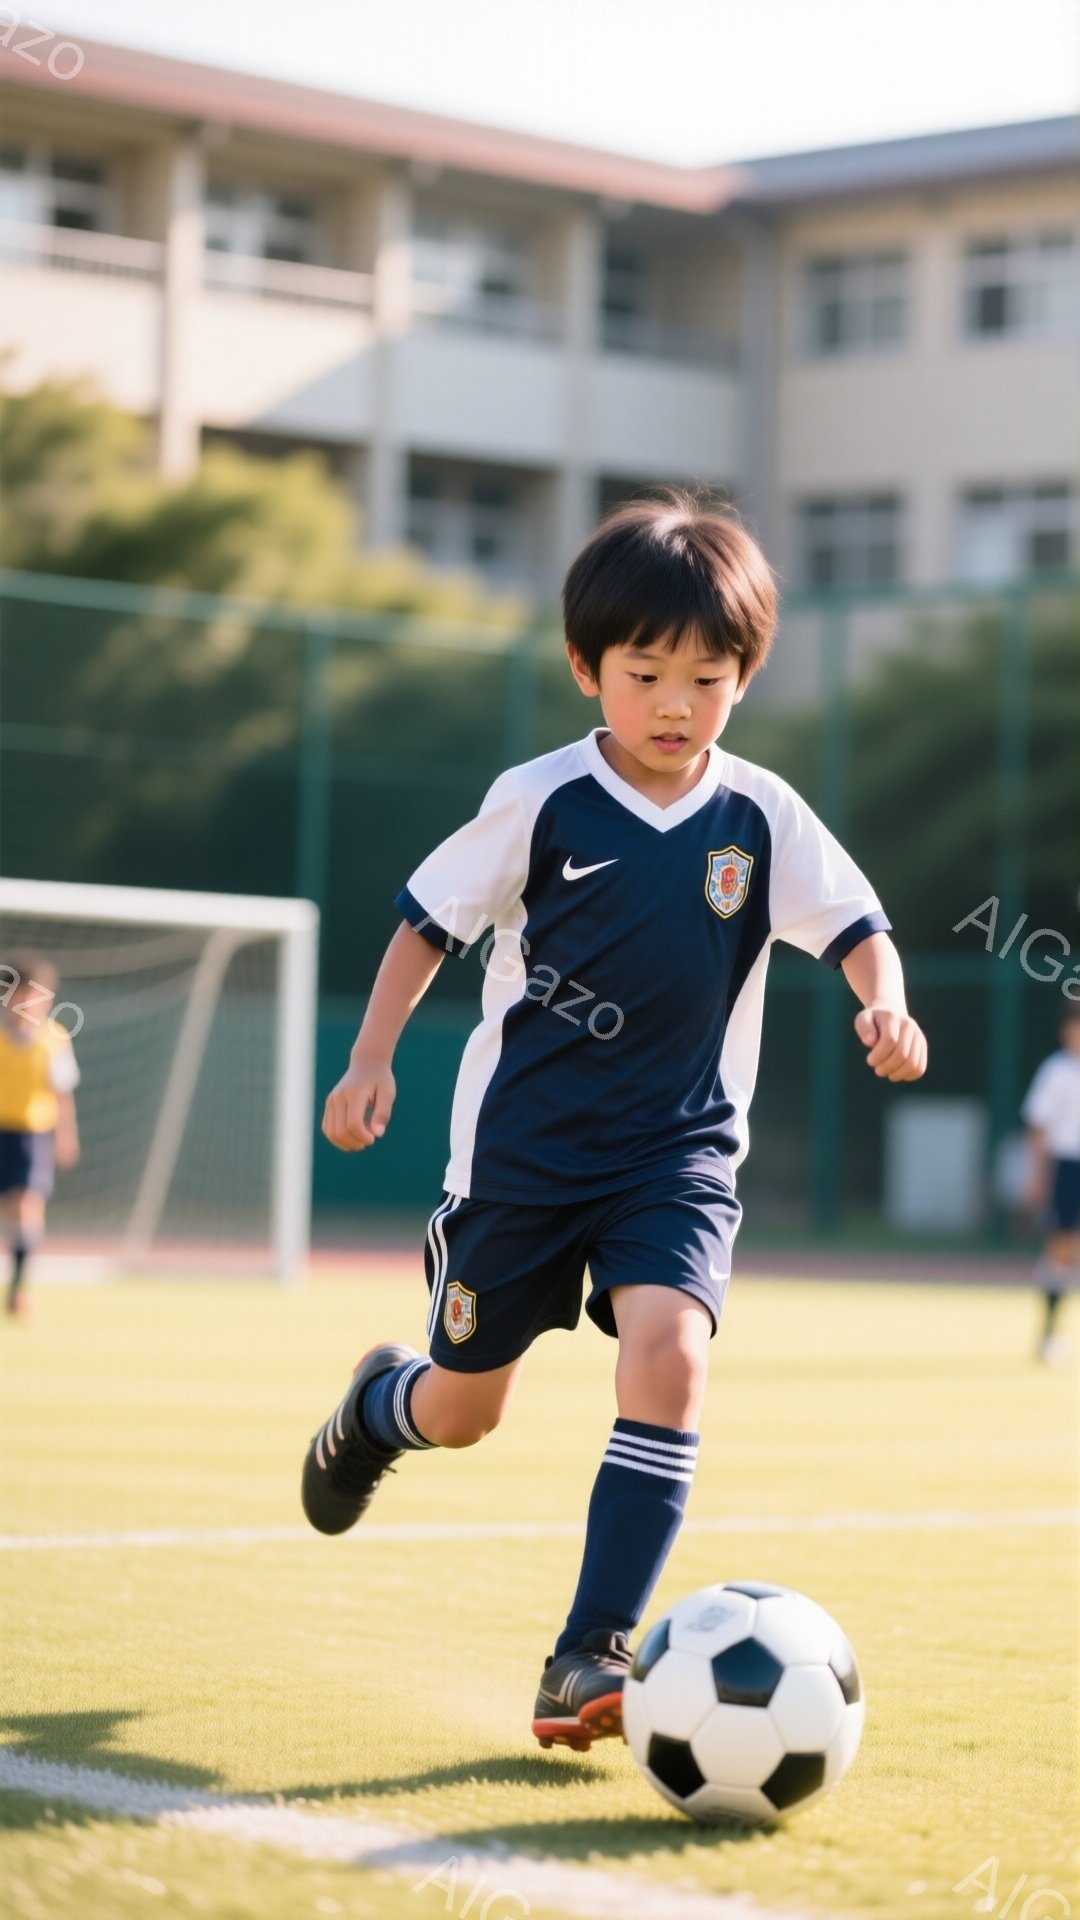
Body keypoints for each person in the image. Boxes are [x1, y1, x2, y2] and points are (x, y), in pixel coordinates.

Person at [302, 490, 928, 1751]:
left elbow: (858, 925)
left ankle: (588, 1653)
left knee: (672, 1358)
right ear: (590, 669)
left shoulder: (761, 815)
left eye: (709, 677)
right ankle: (378, 1406)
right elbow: (428, 924)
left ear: (744, 680)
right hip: (521, 1163)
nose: (676, 703)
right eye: (646, 673)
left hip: (679, 1155)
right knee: (467, 1408)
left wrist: (888, 1005)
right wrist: (371, 1059)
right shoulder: (539, 798)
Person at [0, 949, 81, 1317]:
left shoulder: (55, 1037)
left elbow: (62, 1092)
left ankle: (18, 1289)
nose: (33, 1001)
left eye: (41, 993)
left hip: (32, 1135)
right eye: (25, 993)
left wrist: (66, 1135)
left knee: (27, 1205)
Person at [1021, 1003, 1080, 1365]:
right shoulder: (1057, 1071)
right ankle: (1049, 1332)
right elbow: (1039, 1127)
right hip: (1068, 1165)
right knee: (1060, 1247)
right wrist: (1037, 1174)